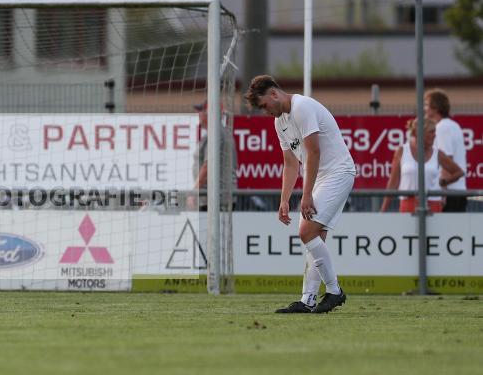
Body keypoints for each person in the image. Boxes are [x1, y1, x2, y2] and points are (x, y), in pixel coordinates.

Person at [245, 75, 356, 314]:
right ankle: (308, 300)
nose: (265, 112)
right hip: (321, 177)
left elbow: (313, 153)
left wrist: (306, 196)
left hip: (338, 172)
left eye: (264, 105)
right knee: (314, 239)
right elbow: (290, 163)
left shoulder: (302, 107)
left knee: (306, 231)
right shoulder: (279, 122)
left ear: (274, 94)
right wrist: (284, 199)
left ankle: (335, 291)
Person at [380, 117, 464, 214]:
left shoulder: (437, 153)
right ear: (419, 133)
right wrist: (383, 210)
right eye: (431, 132)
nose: (434, 135)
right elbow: (392, 183)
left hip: (433, 203)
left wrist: (443, 182)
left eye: (435, 132)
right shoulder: (402, 151)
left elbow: (459, 172)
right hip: (408, 202)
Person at [424, 89, 468, 212]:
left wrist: (442, 194)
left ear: (436, 107)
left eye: (427, 105)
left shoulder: (442, 127)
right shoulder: (452, 125)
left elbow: (447, 162)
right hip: (456, 192)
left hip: (450, 194)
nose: (424, 108)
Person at [190, 99, 237, 211]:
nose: (198, 115)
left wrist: (194, 192)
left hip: (214, 199)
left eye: (201, 111)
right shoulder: (222, 132)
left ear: (209, 113)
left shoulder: (216, 133)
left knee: (211, 228)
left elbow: (208, 166)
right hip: (216, 197)